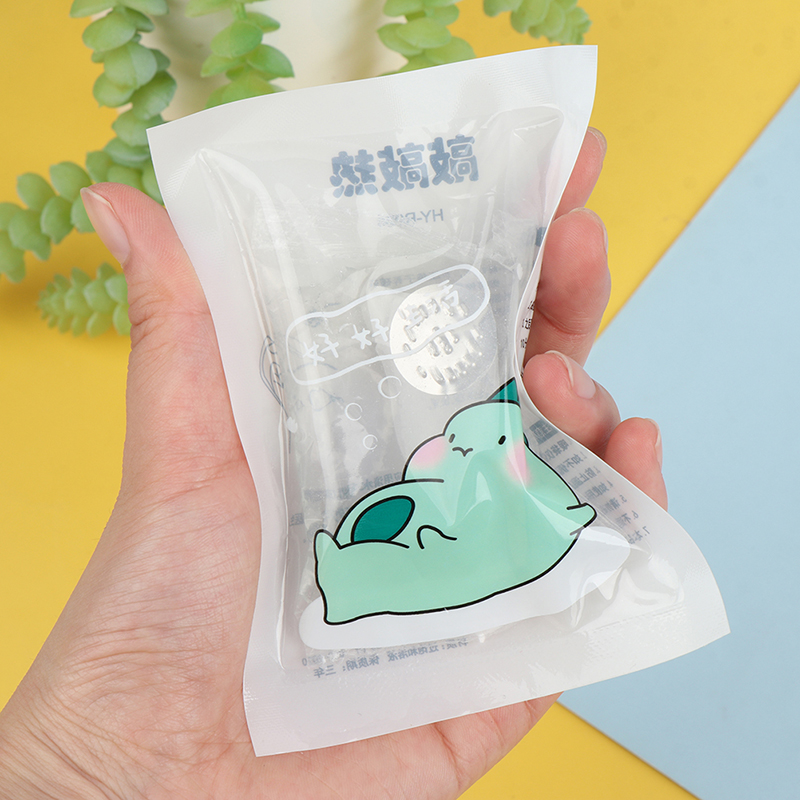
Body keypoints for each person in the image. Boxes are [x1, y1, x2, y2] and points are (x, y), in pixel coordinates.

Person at [0, 129, 666, 799]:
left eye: (461, 447)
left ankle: (357, 574)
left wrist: (87, 777)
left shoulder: (466, 468)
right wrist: (90, 774)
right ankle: (354, 576)